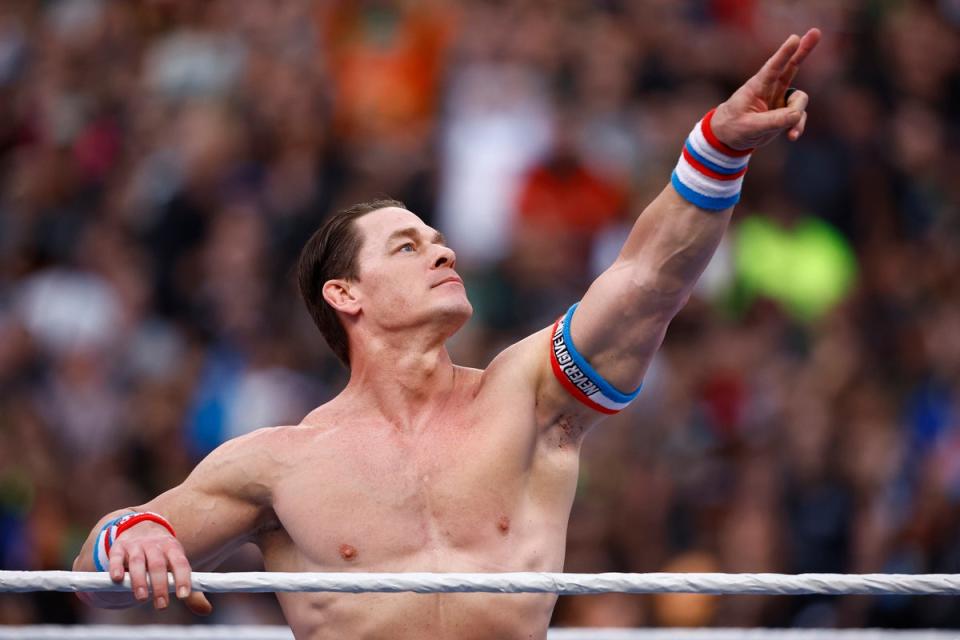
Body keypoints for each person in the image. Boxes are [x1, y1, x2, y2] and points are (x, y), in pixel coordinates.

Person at [73, 29, 821, 639]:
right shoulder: (276, 464)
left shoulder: (526, 398)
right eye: (407, 245)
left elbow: (647, 282)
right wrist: (128, 537)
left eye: (438, 238)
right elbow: (91, 581)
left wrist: (717, 149)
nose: (444, 250)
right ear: (346, 294)